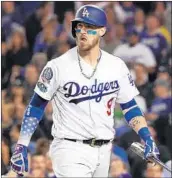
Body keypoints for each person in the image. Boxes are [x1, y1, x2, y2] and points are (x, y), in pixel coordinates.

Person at [11, 5, 160, 177]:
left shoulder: (116, 66)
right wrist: (22, 144)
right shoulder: (57, 66)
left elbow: (129, 106)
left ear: (102, 30)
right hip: (69, 148)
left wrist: (147, 136)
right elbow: (36, 105)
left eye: (89, 27)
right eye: (79, 26)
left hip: (104, 150)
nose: (82, 31)